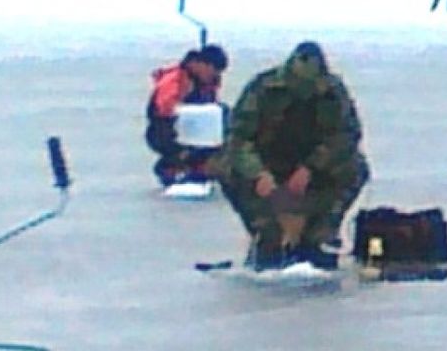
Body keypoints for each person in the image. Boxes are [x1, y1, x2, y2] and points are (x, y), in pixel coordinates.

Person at [217, 41, 370, 270]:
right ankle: (265, 233)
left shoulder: (332, 91)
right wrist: (257, 172)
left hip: (311, 165)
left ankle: (320, 233)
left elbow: (346, 136)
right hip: (266, 162)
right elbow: (238, 138)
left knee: (354, 167)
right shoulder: (263, 88)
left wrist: (311, 167)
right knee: (227, 167)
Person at [144, 43, 229, 186]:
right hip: (164, 131)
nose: (214, 76)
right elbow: (164, 110)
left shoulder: (208, 82)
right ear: (203, 65)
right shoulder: (174, 80)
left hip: (197, 130)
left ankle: (200, 170)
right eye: (214, 71)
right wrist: (185, 104)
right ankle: (171, 168)